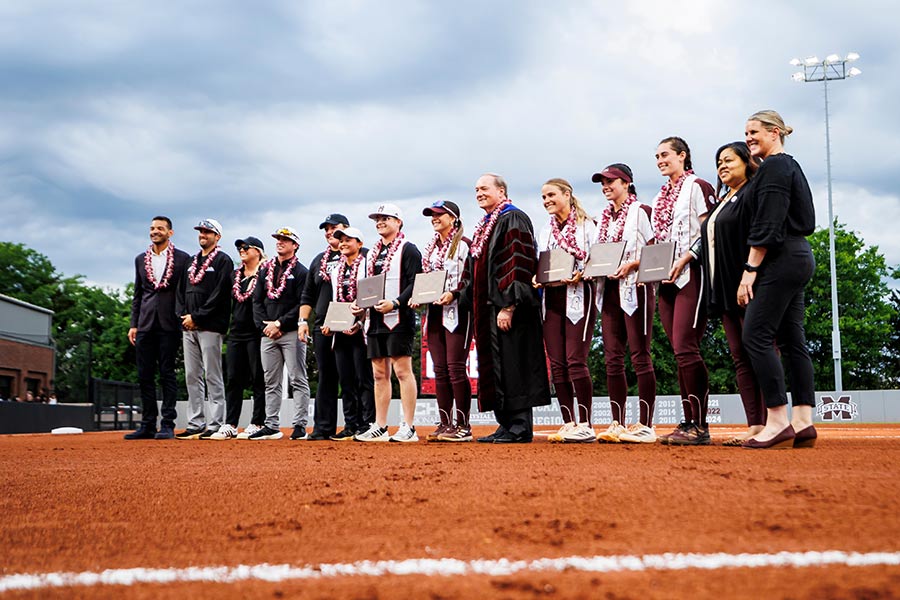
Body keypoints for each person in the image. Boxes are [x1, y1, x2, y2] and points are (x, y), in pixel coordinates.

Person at [679, 142, 766, 446]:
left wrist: (751, 274)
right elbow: (704, 241)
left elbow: (761, 234)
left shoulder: (752, 194)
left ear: (748, 162)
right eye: (718, 162)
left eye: (729, 160)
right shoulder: (723, 200)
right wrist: (685, 258)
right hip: (724, 288)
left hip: (750, 283)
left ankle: (775, 421)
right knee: (740, 356)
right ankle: (755, 425)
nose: (722, 166)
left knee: (761, 352)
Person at [739, 110, 817, 449]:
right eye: (746, 134)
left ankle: (776, 420)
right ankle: (802, 422)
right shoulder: (788, 166)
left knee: (755, 334)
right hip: (798, 255)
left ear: (774, 132)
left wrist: (750, 269)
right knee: (791, 340)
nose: (748, 138)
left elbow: (768, 222)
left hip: (780, 257)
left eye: (754, 132)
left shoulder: (774, 166)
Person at [463, 174, 550, 443]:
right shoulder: (487, 224)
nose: (479, 193)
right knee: (499, 367)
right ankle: (506, 424)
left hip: (510, 307)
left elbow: (517, 260)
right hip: (489, 309)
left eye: (485, 188)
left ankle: (520, 426)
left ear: (501, 192)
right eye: (476, 189)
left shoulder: (513, 218)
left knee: (514, 364)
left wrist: (510, 304)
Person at [653, 137, 716, 446]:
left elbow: (710, 232)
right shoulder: (660, 196)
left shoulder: (698, 187)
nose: (660, 159)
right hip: (665, 280)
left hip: (692, 273)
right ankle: (688, 422)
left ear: (682, 155)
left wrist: (686, 257)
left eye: (665, 154)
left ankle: (700, 425)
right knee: (679, 353)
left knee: (685, 347)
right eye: (657, 156)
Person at [591, 164, 658, 444]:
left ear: (627, 183)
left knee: (640, 355)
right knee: (612, 358)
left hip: (636, 288)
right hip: (609, 291)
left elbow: (656, 250)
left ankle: (646, 424)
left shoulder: (641, 212)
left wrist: (633, 265)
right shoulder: (603, 219)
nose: (606, 187)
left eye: (611, 181)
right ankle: (617, 422)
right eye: (602, 183)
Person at [353, 204, 423, 442]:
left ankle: (408, 426)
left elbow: (416, 283)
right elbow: (366, 286)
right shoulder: (370, 254)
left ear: (398, 222)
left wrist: (396, 302)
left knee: (402, 371)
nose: (380, 222)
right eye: (377, 219)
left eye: (386, 218)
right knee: (378, 373)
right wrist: (358, 304)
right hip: (374, 321)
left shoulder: (408, 249)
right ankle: (380, 426)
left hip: (398, 318)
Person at [535, 179, 598, 444]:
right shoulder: (544, 231)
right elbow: (542, 264)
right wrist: (537, 279)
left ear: (567, 194)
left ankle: (586, 423)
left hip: (579, 296)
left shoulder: (589, 226)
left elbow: (598, 261)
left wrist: (582, 274)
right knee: (558, 364)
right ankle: (568, 422)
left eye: (551, 195)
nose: (546, 200)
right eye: (543, 197)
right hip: (552, 300)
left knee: (575, 360)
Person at [411, 200, 474, 442]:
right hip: (434, 312)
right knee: (439, 371)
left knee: (456, 368)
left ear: (453, 218)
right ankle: (446, 423)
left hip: (458, 311)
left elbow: (470, 280)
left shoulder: (464, 245)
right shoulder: (431, 248)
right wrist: (419, 297)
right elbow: (426, 280)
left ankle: (463, 425)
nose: (434, 218)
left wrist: (455, 294)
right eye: (432, 215)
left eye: (439, 214)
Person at [125, 216, 190, 440]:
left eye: (160, 228)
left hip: (169, 323)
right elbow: (138, 293)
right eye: (152, 228)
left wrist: (182, 316)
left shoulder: (183, 259)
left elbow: (185, 292)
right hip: (145, 323)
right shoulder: (140, 259)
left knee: (167, 374)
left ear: (169, 233)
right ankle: (147, 424)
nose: (155, 231)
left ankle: (168, 424)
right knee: (144, 375)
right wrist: (134, 324)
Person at [174, 219, 234, 440]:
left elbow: (219, 295)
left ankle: (216, 422)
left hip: (210, 325)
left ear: (217, 236)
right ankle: (196, 422)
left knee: (213, 374)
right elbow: (180, 291)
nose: (203, 235)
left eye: (208, 232)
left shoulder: (223, 260)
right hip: (188, 326)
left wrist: (197, 316)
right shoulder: (191, 261)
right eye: (201, 231)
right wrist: (183, 316)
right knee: (191, 375)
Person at [250, 227, 310, 440]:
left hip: (291, 332)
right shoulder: (265, 270)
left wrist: (280, 323)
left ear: (295, 245)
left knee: (297, 379)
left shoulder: (302, 272)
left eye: (285, 240)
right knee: (270, 381)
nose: (280, 242)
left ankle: (300, 425)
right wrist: (265, 326)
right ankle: (271, 425)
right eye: (277, 239)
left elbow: (303, 302)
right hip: (268, 333)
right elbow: (256, 300)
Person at [298, 214, 349, 441]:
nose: (329, 232)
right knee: (326, 377)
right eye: (326, 229)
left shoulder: (359, 255)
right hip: (322, 325)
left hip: (349, 324)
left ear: (346, 229)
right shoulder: (318, 260)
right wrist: (302, 322)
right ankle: (323, 428)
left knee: (351, 377)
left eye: (334, 228)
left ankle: (356, 425)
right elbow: (308, 294)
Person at [211, 236, 267, 440]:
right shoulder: (234, 275)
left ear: (258, 251)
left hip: (256, 333)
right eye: (239, 248)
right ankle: (231, 423)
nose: (241, 250)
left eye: (246, 247)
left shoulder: (265, 274)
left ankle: (257, 421)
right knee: (234, 378)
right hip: (236, 333)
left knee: (258, 378)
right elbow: (221, 300)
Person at [323, 227, 375, 440]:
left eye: (348, 240)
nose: (343, 243)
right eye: (341, 240)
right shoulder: (336, 270)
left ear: (359, 244)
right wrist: (330, 324)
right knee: (346, 381)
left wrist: (361, 322)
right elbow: (335, 299)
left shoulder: (367, 265)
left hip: (361, 330)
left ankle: (368, 424)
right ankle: (350, 424)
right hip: (340, 331)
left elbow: (371, 296)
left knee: (364, 379)